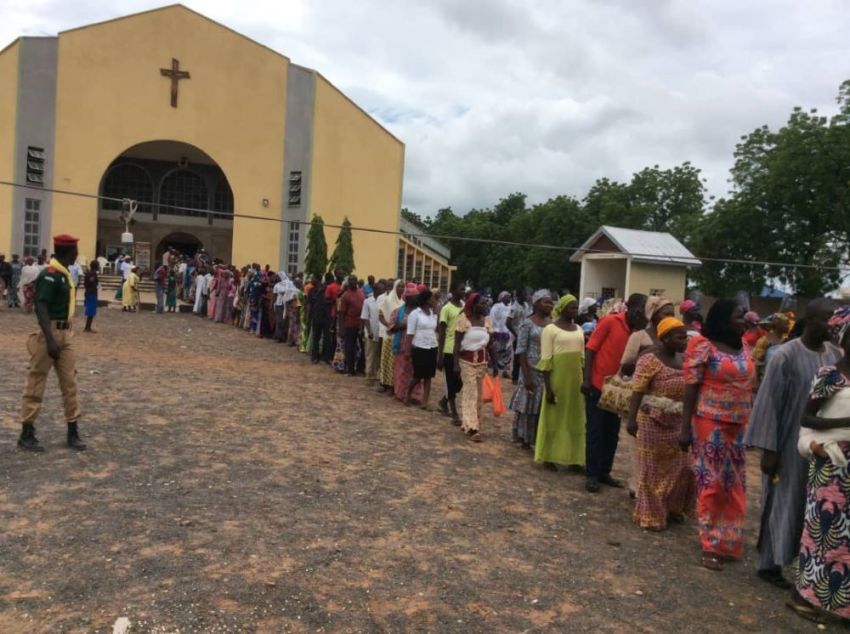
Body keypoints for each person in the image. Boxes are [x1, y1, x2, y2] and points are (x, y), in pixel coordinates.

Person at [745, 299, 840, 588]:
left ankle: (806, 568)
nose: (832, 325)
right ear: (810, 320)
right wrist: (769, 449)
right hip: (787, 442)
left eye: (835, 320)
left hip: (822, 446)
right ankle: (769, 564)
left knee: (813, 506)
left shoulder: (836, 355)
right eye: (827, 319)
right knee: (782, 502)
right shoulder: (784, 355)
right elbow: (768, 403)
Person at [680, 299, 755, 571]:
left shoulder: (744, 345)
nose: (743, 320)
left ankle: (729, 541)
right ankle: (710, 545)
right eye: (738, 316)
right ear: (723, 318)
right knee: (711, 484)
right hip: (708, 422)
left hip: (738, 424)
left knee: (734, 485)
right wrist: (684, 427)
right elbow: (690, 387)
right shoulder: (703, 344)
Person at [788, 311, 850, 623]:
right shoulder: (830, 375)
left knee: (845, 541)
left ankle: (837, 603)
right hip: (831, 467)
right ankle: (803, 597)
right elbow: (806, 418)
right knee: (822, 534)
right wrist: (845, 423)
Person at [17, 234, 86, 452]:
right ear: (68, 252)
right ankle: (26, 432)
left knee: (70, 383)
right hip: (50, 334)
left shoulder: (65, 275)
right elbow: (41, 305)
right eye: (75, 251)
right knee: (36, 381)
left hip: (66, 334)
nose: (76, 255)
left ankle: (72, 430)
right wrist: (49, 339)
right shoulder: (50, 274)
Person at [627, 317, 695, 530]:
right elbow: (637, 390)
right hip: (651, 420)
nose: (684, 341)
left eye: (685, 336)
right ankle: (651, 514)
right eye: (679, 337)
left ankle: (672, 507)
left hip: (677, 421)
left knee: (682, 467)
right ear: (665, 338)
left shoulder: (685, 360)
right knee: (651, 469)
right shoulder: (649, 360)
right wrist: (631, 419)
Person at [583, 293, 648, 493]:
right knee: (595, 431)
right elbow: (591, 349)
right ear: (631, 308)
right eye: (640, 310)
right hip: (598, 385)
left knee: (611, 432)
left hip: (620, 390)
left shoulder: (640, 333)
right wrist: (586, 379)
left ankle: (604, 471)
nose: (642, 315)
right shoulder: (610, 322)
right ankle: (592, 474)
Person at [535, 294, 586, 470]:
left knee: (575, 417)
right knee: (554, 417)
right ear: (562, 309)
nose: (575, 310)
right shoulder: (550, 329)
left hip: (576, 379)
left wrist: (584, 380)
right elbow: (546, 360)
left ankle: (575, 458)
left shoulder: (579, 328)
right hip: (558, 378)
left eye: (576, 307)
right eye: (571, 307)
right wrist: (548, 388)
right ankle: (548, 456)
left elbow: (582, 358)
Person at [509, 289, 553, 449]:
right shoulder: (527, 323)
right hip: (530, 368)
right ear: (536, 303)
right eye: (546, 302)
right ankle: (524, 437)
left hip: (546, 370)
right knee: (527, 404)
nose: (549, 305)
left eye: (551, 302)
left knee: (541, 404)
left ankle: (537, 437)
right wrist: (526, 376)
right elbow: (520, 350)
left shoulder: (552, 324)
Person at [454, 292, 496, 442]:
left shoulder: (487, 321)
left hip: (482, 363)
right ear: (474, 304)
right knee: (470, 393)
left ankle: (473, 422)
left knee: (479, 395)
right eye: (482, 303)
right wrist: (455, 365)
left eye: (486, 303)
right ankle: (473, 428)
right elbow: (457, 343)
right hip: (466, 362)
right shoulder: (464, 320)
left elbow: (490, 344)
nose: (485, 306)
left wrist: (495, 364)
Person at [437, 280, 466, 423]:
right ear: (453, 291)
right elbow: (441, 333)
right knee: (450, 381)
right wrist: (440, 354)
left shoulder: (465, 307)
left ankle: (443, 401)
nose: (463, 292)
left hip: (462, 349)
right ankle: (454, 412)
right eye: (461, 289)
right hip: (449, 348)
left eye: (464, 289)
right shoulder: (446, 308)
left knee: (460, 382)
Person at [404, 289, 439, 409]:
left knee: (429, 376)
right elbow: (410, 333)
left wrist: (436, 308)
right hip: (419, 346)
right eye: (432, 298)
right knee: (418, 375)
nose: (434, 300)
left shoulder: (433, 313)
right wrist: (407, 350)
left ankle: (425, 402)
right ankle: (408, 392)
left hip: (432, 345)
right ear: (426, 299)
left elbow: (437, 327)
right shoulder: (415, 314)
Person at [390, 284, 422, 403]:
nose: (417, 298)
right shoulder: (398, 312)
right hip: (401, 345)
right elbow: (391, 327)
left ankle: (415, 395)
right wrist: (403, 325)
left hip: (417, 344)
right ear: (408, 298)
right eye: (414, 296)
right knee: (402, 371)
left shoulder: (420, 312)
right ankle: (400, 393)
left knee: (415, 371)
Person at [378, 280, 404, 393]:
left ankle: (394, 384)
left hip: (399, 334)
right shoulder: (388, 300)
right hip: (389, 335)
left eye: (403, 287)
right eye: (399, 286)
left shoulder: (404, 302)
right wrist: (389, 325)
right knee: (386, 359)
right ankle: (384, 383)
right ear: (395, 287)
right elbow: (380, 315)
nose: (401, 289)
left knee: (395, 361)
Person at [339, 275, 366, 376]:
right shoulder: (345, 295)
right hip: (349, 324)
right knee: (350, 348)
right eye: (351, 281)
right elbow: (341, 313)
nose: (353, 282)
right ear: (349, 283)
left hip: (361, 324)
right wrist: (341, 329)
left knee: (363, 347)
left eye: (355, 280)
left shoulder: (361, 293)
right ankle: (350, 369)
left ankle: (360, 368)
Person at [360, 280, 385, 384]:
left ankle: (378, 376)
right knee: (370, 355)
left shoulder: (384, 301)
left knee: (379, 356)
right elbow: (365, 317)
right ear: (375, 290)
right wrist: (369, 331)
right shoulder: (368, 301)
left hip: (382, 333)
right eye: (381, 290)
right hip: (371, 332)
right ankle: (369, 376)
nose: (383, 292)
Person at [309, 274, 333, 364]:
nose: (311, 280)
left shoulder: (326, 289)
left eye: (313, 278)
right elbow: (310, 304)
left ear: (318, 279)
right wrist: (309, 317)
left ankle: (326, 357)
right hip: (316, 316)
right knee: (316, 337)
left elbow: (331, 300)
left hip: (326, 316)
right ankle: (315, 356)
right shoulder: (312, 290)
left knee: (327, 338)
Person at [508, 290, 530, 384]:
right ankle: (515, 377)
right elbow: (508, 322)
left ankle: (523, 376)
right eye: (524, 294)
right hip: (518, 335)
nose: (526, 296)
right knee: (517, 358)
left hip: (526, 334)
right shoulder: (514, 307)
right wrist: (516, 334)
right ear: (519, 296)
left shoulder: (526, 305)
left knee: (526, 356)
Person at [490, 291, 514, 378]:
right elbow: (492, 318)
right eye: (507, 296)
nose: (509, 298)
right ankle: (495, 369)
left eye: (509, 297)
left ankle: (505, 371)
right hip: (498, 332)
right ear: (502, 297)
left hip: (508, 333)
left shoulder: (511, 308)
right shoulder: (496, 307)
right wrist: (495, 330)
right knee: (496, 351)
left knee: (508, 352)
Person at [83, 261, 99, 332]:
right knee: (91, 311)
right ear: (96, 266)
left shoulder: (88, 273)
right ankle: (87, 327)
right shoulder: (92, 274)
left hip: (89, 292)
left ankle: (88, 327)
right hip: (91, 292)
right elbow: (91, 282)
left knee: (91, 310)